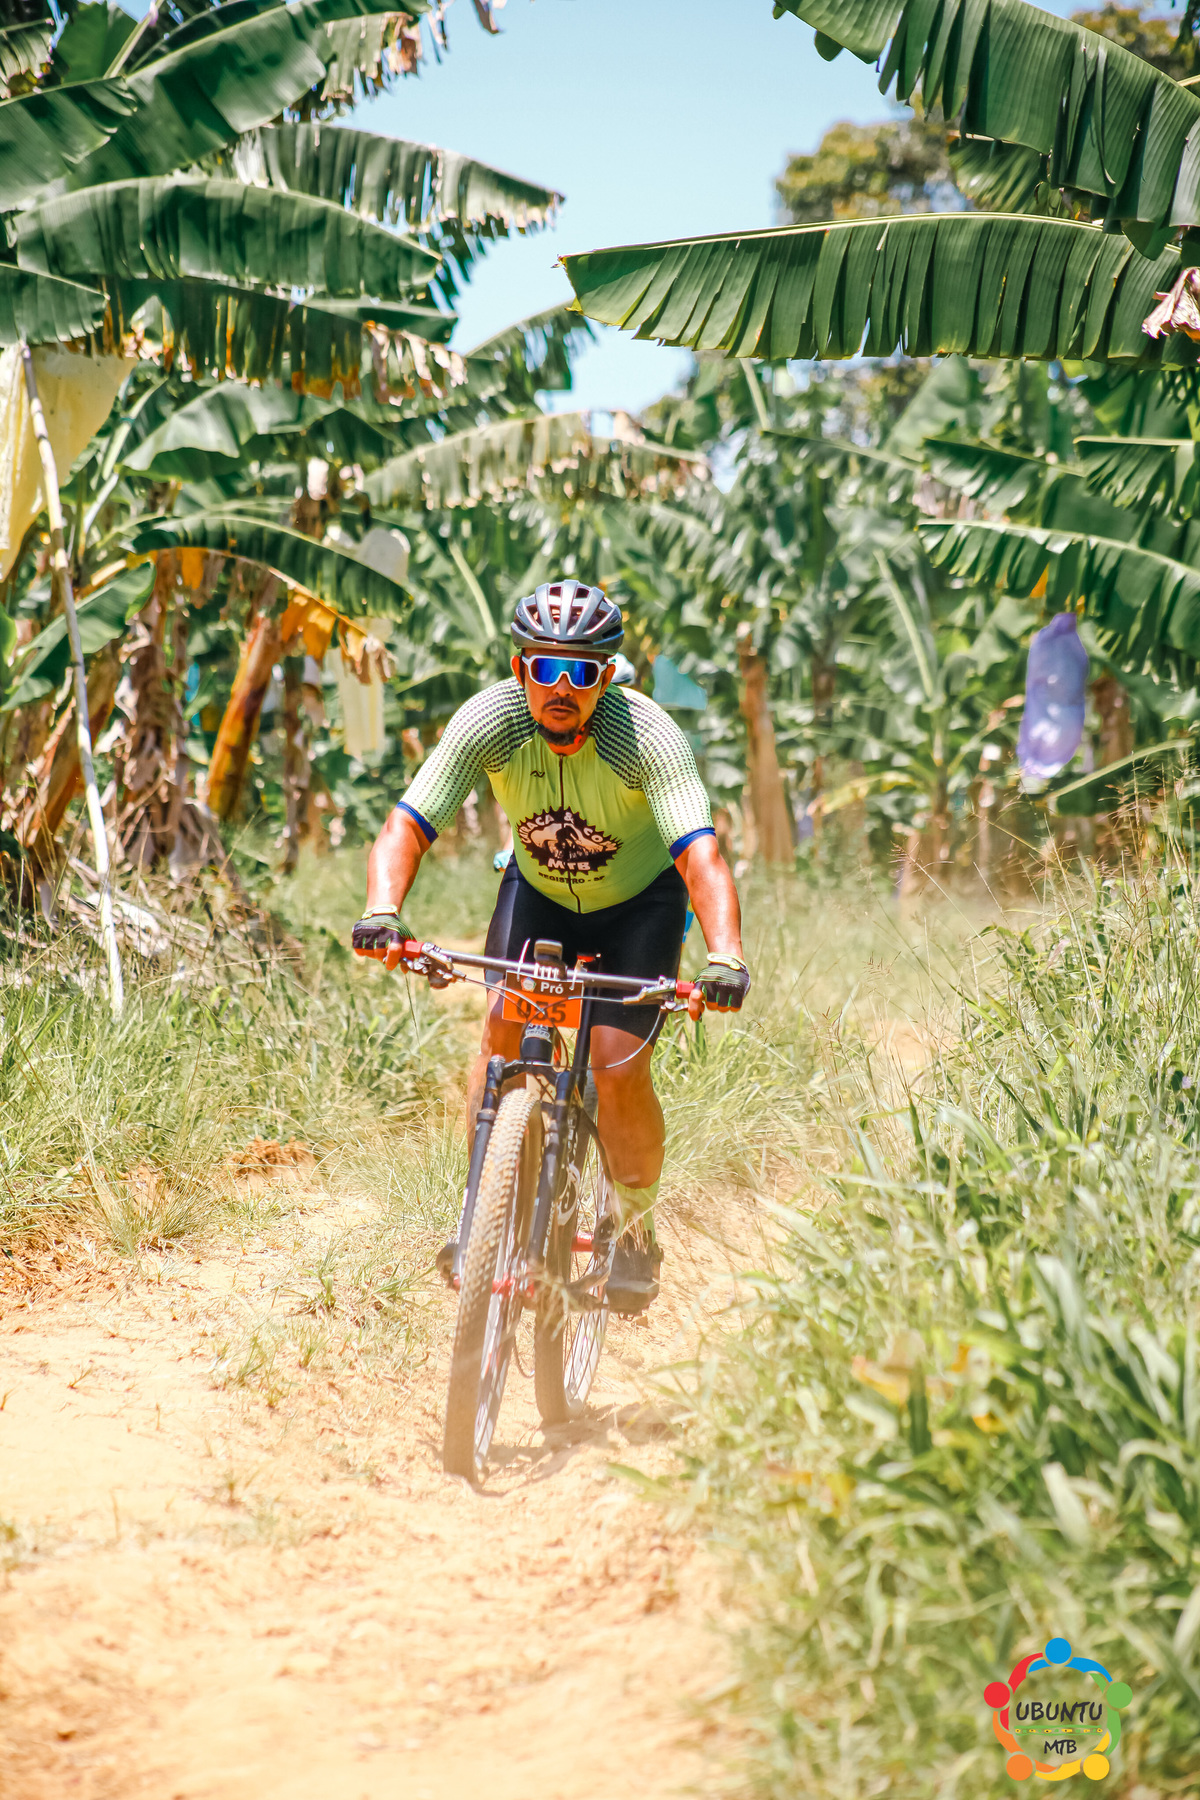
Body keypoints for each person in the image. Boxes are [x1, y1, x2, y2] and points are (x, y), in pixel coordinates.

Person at [351, 579, 749, 1311]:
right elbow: (407, 825)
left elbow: (701, 856)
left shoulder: (647, 736)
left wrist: (725, 955)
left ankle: (634, 1230)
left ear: (606, 677)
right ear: (519, 669)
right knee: (501, 1035)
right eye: (545, 668)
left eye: (580, 672)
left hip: (640, 904)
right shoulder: (491, 720)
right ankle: (481, 1216)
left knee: (616, 1066)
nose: (561, 687)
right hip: (538, 893)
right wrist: (383, 911)